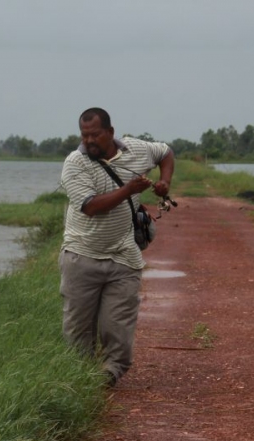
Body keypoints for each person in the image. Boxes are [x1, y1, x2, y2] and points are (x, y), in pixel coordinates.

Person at [59, 107, 175, 386]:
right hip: (81, 256)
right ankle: (80, 379)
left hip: (124, 257)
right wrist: (128, 190)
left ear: (110, 132)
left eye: (95, 135)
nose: (89, 141)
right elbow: (90, 207)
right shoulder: (75, 163)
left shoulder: (136, 149)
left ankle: (109, 374)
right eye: (84, 135)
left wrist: (164, 182)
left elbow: (166, 153)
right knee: (78, 330)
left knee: (118, 327)